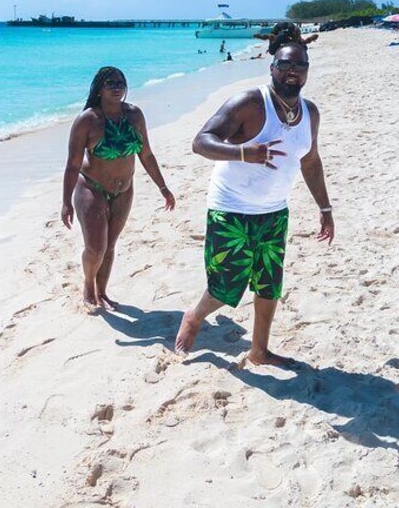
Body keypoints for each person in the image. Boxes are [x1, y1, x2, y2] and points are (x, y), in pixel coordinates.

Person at [174, 40, 334, 366]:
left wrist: (325, 208)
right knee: (225, 286)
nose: (292, 71)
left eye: (300, 66)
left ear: (306, 72)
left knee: (269, 284)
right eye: (285, 64)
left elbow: (311, 162)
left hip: (274, 212)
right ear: (272, 66)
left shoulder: (309, 113)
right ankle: (194, 315)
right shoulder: (249, 102)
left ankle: (259, 351)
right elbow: (200, 142)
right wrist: (245, 152)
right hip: (230, 208)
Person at [62, 66, 176, 309]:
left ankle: (102, 292)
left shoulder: (134, 115)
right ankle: (88, 285)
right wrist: (65, 202)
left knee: (110, 245)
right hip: (91, 188)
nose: (116, 87)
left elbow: (146, 154)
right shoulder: (87, 120)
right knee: (95, 248)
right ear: (99, 89)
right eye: (110, 83)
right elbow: (72, 165)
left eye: (120, 83)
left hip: (125, 190)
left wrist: (163, 187)